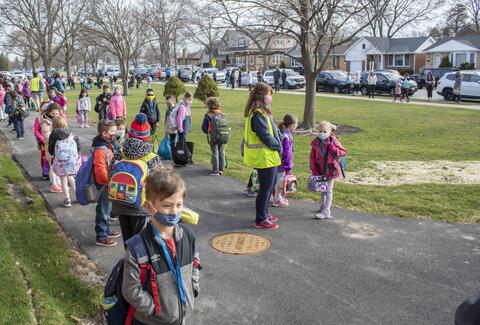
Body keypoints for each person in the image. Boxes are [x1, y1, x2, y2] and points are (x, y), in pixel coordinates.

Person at [122, 166, 200, 325]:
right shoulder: (138, 248)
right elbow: (130, 290)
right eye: (167, 205)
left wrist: (193, 288)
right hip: (152, 321)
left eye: (179, 205)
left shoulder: (188, 236)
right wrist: (154, 310)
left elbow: (195, 263)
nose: (174, 212)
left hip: (181, 317)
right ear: (149, 207)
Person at [112, 114, 163, 245]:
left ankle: (128, 261)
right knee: (140, 241)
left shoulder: (120, 152)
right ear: (147, 137)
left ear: (130, 134)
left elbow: (110, 174)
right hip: (141, 207)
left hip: (120, 202)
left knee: (127, 240)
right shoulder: (151, 158)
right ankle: (138, 264)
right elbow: (161, 183)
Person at [243, 82, 282, 229]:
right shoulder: (257, 115)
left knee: (269, 186)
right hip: (264, 157)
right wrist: (278, 145)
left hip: (268, 156)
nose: (271, 97)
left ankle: (265, 213)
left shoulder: (262, 112)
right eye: (269, 94)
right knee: (265, 189)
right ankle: (260, 219)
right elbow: (265, 136)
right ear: (262, 96)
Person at [309, 121, 347, 219]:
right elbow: (312, 157)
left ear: (330, 132)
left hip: (331, 170)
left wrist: (334, 149)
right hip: (320, 170)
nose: (322, 133)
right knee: (323, 189)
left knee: (328, 190)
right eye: (320, 131)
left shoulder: (334, 141)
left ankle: (326, 211)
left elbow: (343, 152)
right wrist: (313, 169)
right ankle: (323, 207)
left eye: (325, 131)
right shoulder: (316, 142)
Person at [92, 120, 120, 247]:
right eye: (113, 132)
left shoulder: (108, 144)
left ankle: (107, 230)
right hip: (104, 184)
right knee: (103, 210)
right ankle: (102, 236)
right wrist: (109, 181)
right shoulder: (100, 150)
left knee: (107, 209)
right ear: (104, 133)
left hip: (108, 183)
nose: (115, 134)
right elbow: (100, 170)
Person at [48, 116, 81, 207]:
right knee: (71, 177)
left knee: (63, 178)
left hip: (60, 162)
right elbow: (78, 147)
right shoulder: (70, 134)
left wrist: (53, 154)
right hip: (71, 160)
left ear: (53, 125)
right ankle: (78, 197)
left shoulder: (53, 135)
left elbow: (51, 148)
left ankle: (67, 199)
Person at [273, 114, 297, 207]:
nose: (296, 127)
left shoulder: (285, 134)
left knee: (279, 181)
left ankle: (278, 197)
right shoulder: (285, 137)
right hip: (282, 164)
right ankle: (277, 199)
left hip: (280, 163)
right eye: (296, 125)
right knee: (279, 182)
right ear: (291, 125)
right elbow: (286, 154)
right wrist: (288, 167)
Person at [40, 103, 63, 193]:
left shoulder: (59, 120)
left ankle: (58, 182)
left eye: (57, 114)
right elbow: (47, 137)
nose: (55, 116)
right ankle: (54, 184)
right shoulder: (45, 123)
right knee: (52, 166)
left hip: (59, 148)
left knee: (59, 166)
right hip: (50, 148)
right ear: (49, 113)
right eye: (53, 114)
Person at [201, 97, 226, 176]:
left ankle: (215, 170)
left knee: (215, 152)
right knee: (221, 152)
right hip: (222, 136)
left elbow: (204, 127)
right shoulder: (222, 115)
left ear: (209, 105)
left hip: (213, 136)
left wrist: (208, 132)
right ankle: (221, 169)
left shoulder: (208, 115)